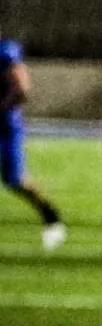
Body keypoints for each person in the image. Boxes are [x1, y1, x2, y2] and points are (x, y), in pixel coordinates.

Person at [0, 28, 66, 249]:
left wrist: (2, 108)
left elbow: (22, 89)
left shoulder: (6, 53)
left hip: (5, 128)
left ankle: (50, 214)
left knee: (15, 180)